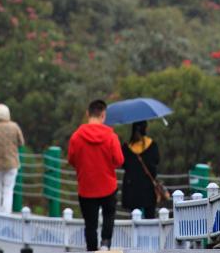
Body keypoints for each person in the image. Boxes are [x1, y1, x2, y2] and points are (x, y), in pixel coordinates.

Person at [68, 99, 124, 252]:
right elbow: (119, 160)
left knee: (90, 224)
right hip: (108, 186)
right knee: (109, 215)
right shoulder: (111, 137)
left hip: (86, 187)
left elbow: (72, 160)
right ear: (103, 115)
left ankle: (92, 249)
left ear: (88, 114)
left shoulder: (76, 137)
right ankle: (105, 244)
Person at [121, 121, 161, 218]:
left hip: (132, 189)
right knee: (150, 217)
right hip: (148, 188)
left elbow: (123, 164)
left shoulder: (127, 148)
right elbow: (156, 160)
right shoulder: (152, 145)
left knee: (134, 217)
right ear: (145, 129)